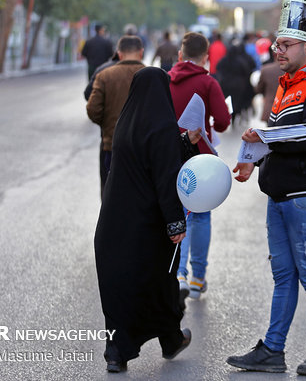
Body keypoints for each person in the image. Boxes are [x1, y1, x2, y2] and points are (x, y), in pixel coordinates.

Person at [228, 35, 306, 375]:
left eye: (287, 45)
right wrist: (256, 157)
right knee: (283, 276)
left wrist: (267, 138)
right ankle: (273, 350)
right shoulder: (285, 84)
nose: (278, 51)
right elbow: (281, 138)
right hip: (280, 196)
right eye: (277, 45)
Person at [93, 67, 198, 373]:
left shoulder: (126, 122)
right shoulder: (162, 125)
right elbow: (165, 177)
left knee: (119, 289)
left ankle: (117, 352)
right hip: (145, 227)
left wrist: (182, 141)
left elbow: (149, 156)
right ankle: (170, 338)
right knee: (160, 282)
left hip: (113, 226)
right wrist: (176, 223)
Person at [168, 32, 231, 307]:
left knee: (175, 215)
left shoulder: (164, 79)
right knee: (200, 217)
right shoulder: (207, 82)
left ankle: (178, 274)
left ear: (180, 55)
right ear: (206, 57)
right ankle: (197, 280)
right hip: (200, 162)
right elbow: (224, 121)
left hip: (169, 157)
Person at [86, 36, 145, 198]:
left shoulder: (105, 75)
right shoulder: (154, 76)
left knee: (110, 194)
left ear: (119, 54)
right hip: (143, 149)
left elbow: (92, 109)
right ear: (141, 53)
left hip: (111, 145)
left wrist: (107, 124)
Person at [216, 43, 256, 123]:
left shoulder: (224, 60)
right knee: (237, 102)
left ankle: (229, 116)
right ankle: (235, 116)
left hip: (225, 85)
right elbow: (247, 70)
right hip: (239, 85)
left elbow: (218, 68)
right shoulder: (240, 61)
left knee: (228, 101)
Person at [255, 46, 284, 122]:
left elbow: (258, 89)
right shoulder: (292, 70)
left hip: (270, 109)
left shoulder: (266, 69)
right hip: (286, 109)